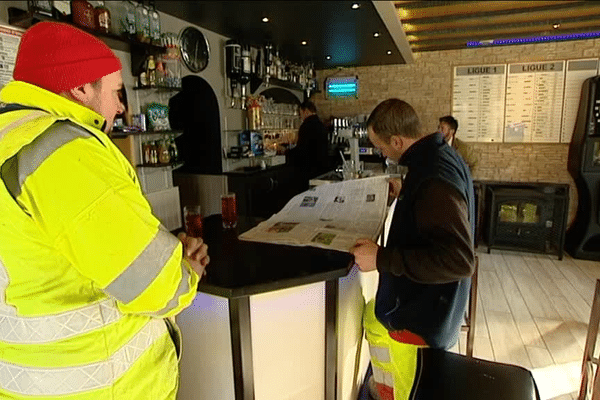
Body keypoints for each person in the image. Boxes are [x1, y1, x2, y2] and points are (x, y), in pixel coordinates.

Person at [0, 22, 209, 399]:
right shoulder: (62, 151)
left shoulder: (9, 138)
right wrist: (185, 271)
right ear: (80, 88)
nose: (121, 107)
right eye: (115, 92)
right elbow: (156, 285)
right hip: (101, 386)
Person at [350, 99, 475, 400]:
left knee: (412, 391)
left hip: (423, 316)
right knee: (372, 319)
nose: (382, 153)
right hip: (416, 298)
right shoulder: (437, 156)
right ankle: (387, 389)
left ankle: (401, 392)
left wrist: (381, 258)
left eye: (382, 147)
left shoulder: (433, 178)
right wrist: (405, 192)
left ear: (397, 140)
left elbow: (458, 260)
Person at [286, 100, 329, 193]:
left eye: (300, 113)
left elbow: (302, 150)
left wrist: (286, 152)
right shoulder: (320, 124)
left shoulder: (306, 126)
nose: (300, 116)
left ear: (305, 111)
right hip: (321, 168)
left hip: (309, 170)